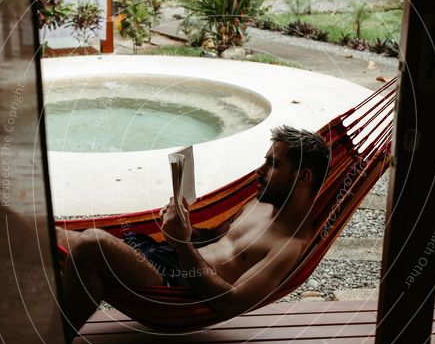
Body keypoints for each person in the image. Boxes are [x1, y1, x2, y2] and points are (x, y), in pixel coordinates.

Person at [56, 126, 330, 332]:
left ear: (303, 177)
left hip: (176, 285)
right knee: (46, 231)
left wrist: (182, 245)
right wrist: (186, 228)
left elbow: (230, 303)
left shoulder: (290, 245)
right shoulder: (259, 201)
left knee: (92, 245)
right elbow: (215, 237)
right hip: (162, 255)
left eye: (273, 164)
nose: (259, 171)